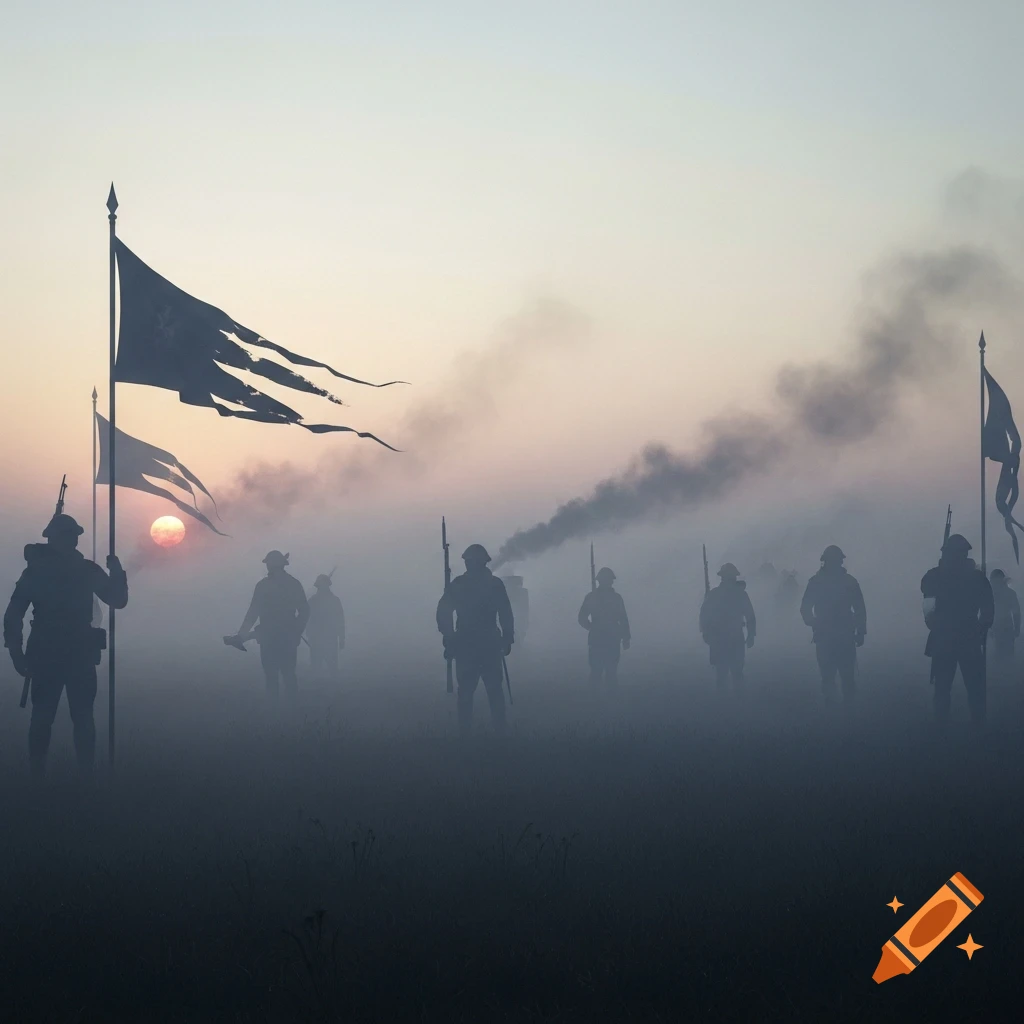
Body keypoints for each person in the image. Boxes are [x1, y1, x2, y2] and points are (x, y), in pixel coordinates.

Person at [3, 513, 128, 777]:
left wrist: (116, 571)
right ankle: (50, 777)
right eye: (69, 536)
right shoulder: (79, 570)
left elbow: (117, 600)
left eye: (74, 536)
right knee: (51, 718)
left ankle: (79, 777)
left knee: (73, 718)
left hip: (66, 654)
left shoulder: (47, 570)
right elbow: (13, 615)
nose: (73, 541)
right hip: (62, 654)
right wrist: (16, 652)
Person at [436, 544, 513, 736]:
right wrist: (449, 636)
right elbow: (443, 613)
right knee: (479, 692)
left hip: (473, 644)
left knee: (481, 691)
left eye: (470, 562)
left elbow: (505, 613)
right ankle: (486, 733)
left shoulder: (464, 584)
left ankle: (482, 733)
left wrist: (450, 637)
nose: (469, 565)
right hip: (479, 644)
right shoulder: (491, 584)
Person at [921, 534, 993, 728]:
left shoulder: (939, 575)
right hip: (960, 634)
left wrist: (982, 627)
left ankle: (970, 722)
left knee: (968, 684)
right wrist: (981, 628)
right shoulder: (972, 577)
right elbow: (928, 601)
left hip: (957, 634)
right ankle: (953, 722)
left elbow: (987, 609)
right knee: (948, 684)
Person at [236, 551, 309, 700]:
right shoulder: (292, 584)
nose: (268, 567)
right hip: (281, 637)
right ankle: (286, 710)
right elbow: (253, 612)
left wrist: (242, 633)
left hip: (276, 637)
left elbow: (253, 612)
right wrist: (241, 634)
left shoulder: (264, 585)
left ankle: (279, 709)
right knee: (283, 674)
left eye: (269, 564)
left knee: (276, 675)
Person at [800, 546, 866, 704]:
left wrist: (814, 622)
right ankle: (842, 713)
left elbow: (859, 609)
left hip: (830, 634)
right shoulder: (848, 581)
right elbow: (859, 609)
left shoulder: (817, 582)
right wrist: (860, 632)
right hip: (837, 634)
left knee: (836, 676)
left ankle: (838, 713)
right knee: (836, 676)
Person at [699, 563, 756, 691]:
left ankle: (737, 702)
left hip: (731, 637)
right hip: (722, 638)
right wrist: (706, 633)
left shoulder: (730, 594)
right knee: (724, 673)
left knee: (734, 672)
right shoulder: (716, 594)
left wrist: (751, 634)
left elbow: (750, 616)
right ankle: (725, 704)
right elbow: (704, 616)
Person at [577, 567, 631, 685]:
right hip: (602, 639)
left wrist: (626, 638)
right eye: (607, 580)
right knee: (597, 672)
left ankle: (609, 700)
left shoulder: (614, 598)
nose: (609, 582)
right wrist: (592, 627)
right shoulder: (594, 597)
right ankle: (596, 700)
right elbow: (582, 618)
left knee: (610, 673)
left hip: (609, 638)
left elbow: (623, 619)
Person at [307, 573, 345, 679]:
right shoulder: (313, 601)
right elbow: (307, 619)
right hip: (318, 639)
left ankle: (332, 690)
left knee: (331, 668)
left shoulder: (315, 600)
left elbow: (340, 621)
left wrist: (342, 638)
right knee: (317, 668)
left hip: (328, 639)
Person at [988, 569, 1020, 666]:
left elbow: (1016, 613)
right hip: (998, 626)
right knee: (1001, 653)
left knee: (1006, 654)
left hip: (1005, 626)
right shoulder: (991, 593)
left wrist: (1017, 627)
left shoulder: (1008, 593)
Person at [500, 575, 530, 649]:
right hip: (517, 620)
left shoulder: (522, 593)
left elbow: (524, 609)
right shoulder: (522, 592)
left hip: (519, 619)